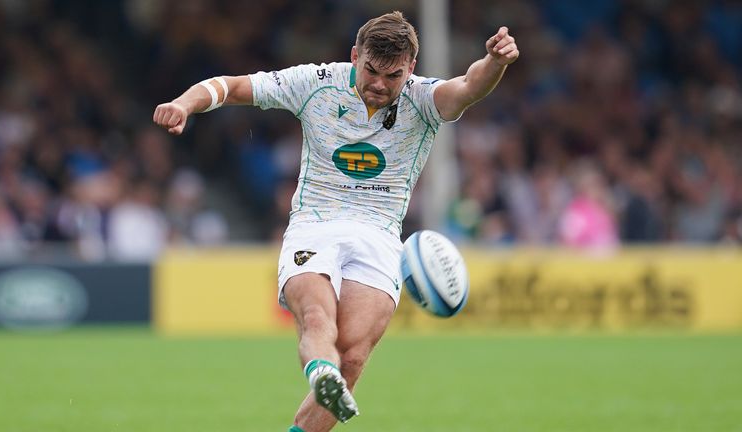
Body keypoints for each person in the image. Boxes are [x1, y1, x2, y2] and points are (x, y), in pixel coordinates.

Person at [153, 11, 518, 432]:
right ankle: (321, 373)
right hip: (315, 225)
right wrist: (184, 103)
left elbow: (469, 87)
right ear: (354, 56)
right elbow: (234, 87)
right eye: (371, 71)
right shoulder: (317, 82)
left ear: (411, 69)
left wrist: (495, 62)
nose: (380, 84)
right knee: (316, 315)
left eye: (393, 76)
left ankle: (331, 375)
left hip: (380, 235)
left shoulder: (422, 98)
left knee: (354, 355)